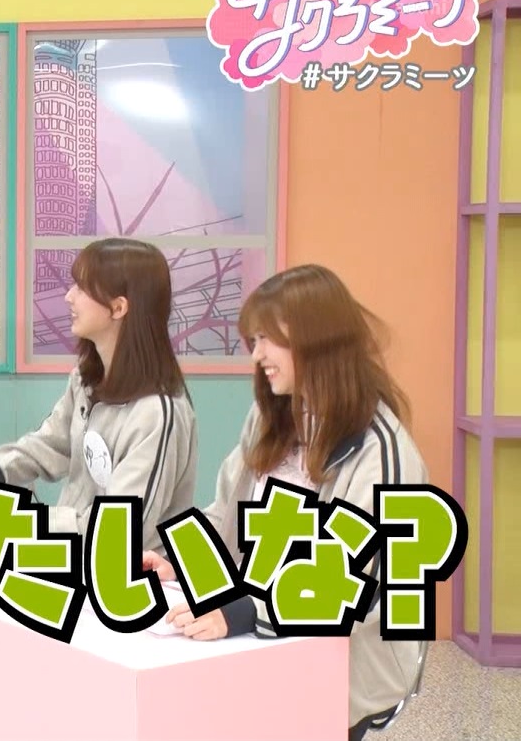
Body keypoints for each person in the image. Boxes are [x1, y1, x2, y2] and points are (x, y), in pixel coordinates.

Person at [142, 264, 428, 740]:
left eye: (266, 339)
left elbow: (357, 584)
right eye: (253, 340)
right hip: (263, 650)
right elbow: (228, 512)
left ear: (315, 339)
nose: (257, 355)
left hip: (341, 676)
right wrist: (183, 562)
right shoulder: (269, 416)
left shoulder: (382, 451)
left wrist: (241, 612)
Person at [0, 238, 197, 552]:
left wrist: (25, 521)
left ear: (118, 307)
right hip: (70, 559)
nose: (69, 296)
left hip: (126, 575)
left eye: (82, 288)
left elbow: (117, 528)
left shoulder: (157, 412)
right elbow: (51, 443)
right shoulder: (85, 380)